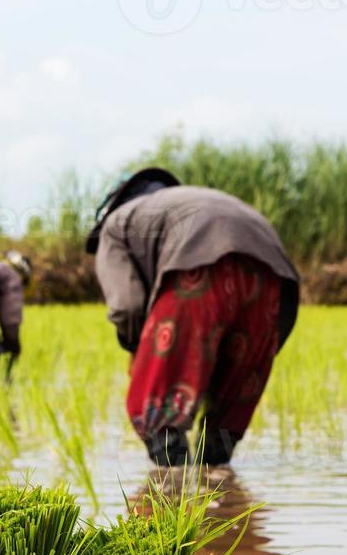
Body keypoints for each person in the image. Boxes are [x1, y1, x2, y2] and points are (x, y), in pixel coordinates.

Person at [86, 168, 300, 467]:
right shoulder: (190, 202)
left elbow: (126, 306)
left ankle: (173, 500)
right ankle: (221, 502)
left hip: (196, 273)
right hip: (272, 283)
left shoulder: (116, 224)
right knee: (223, 428)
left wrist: (140, 350)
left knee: (158, 417)